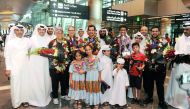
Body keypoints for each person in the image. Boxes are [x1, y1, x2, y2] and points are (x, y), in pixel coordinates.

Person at [4, 25, 30, 108]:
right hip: (15, 67)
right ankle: (16, 102)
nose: (19, 32)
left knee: (25, 84)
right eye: (17, 30)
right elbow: (7, 56)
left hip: (26, 66)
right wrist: (8, 68)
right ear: (14, 31)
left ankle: (25, 100)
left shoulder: (27, 40)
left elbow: (32, 51)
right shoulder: (10, 42)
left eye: (21, 30)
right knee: (16, 85)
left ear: (24, 31)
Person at [165, 22, 190, 109]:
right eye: (184, 29)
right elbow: (175, 51)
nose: (185, 31)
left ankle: (184, 103)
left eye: (187, 29)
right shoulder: (179, 39)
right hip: (178, 66)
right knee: (176, 84)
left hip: (187, 67)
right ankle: (174, 101)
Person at [144, 26, 168, 109]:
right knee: (149, 84)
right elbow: (145, 52)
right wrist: (148, 60)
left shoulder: (164, 41)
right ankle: (149, 98)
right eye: (153, 31)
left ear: (159, 32)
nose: (154, 32)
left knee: (160, 85)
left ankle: (161, 101)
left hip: (160, 65)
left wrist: (165, 57)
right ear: (151, 32)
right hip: (150, 65)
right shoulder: (147, 41)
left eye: (156, 31)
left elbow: (166, 52)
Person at [28, 24, 52, 107]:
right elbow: (28, 51)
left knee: (45, 79)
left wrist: (46, 51)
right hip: (35, 63)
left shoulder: (48, 39)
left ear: (45, 31)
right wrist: (37, 51)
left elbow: (51, 51)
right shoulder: (32, 39)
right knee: (36, 80)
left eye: (43, 30)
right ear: (37, 30)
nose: (41, 31)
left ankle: (45, 97)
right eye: (40, 29)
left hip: (45, 63)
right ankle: (35, 98)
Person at [48, 27, 70, 104]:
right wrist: (55, 65)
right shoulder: (51, 43)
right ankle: (55, 97)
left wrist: (66, 63)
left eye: (60, 32)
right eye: (57, 32)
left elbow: (69, 53)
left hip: (64, 66)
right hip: (54, 67)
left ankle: (64, 94)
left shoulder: (67, 42)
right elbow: (49, 55)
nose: (59, 33)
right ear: (55, 33)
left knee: (64, 81)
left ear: (63, 33)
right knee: (55, 82)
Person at [84, 44, 102, 109]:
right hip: (88, 76)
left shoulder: (97, 58)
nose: (88, 51)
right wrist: (74, 62)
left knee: (96, 88)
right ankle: (88, 102)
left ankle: (96, 103)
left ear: (92, 50)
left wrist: (100, 77)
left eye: (89, 49)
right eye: (86, 50)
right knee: (89, 88)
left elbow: (100, 69)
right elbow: (84, 69)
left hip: (95, 75)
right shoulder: (85, 59)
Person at [129, 42, 146, 106]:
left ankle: (138, 99)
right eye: (134, 48)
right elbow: (130, 63)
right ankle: (134, 98)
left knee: (138, 87)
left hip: (139, 73)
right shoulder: (131, 55)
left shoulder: (142, 55)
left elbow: (144, 63)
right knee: (133, 86)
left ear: (139, 47)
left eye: (136, 47)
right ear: (132, 49)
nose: (135, 49)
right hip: (132, 73)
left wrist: (141, 67)